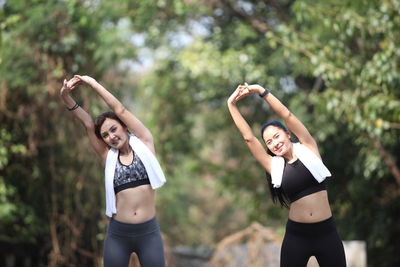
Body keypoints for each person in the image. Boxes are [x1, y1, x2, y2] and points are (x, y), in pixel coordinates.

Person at [227, 83, 346, 267]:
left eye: (276, 136)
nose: (274, 143)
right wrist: (231, 105)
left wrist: (261, 91)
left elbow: (286, 115)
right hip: (297, 236)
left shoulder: (308, 147)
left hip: (327, 232)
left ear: (288, 134)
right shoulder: (274, 166)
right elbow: (249, 138)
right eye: (269, 142)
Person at [60, 75, 166, 267]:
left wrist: (92, 83)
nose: (111, 136)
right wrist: (66, 97)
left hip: (149, 233)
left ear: (124, 126)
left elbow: (120, 109)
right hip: (118, 235)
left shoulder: (145, 142)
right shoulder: (107, 156)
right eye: (105, 135)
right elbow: (87, 124)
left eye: (114, 129)